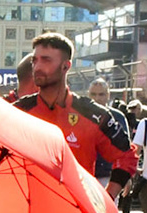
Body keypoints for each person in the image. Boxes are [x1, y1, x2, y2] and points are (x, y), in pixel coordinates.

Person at [15, 32, 133, 198]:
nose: (37, 66)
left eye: (46, 60)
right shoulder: (19, 112)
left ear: (66, 66)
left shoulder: (92, 114)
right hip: (31, 210)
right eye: (35, 60)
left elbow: (127, 155)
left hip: (77, 212)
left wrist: (106, 198)